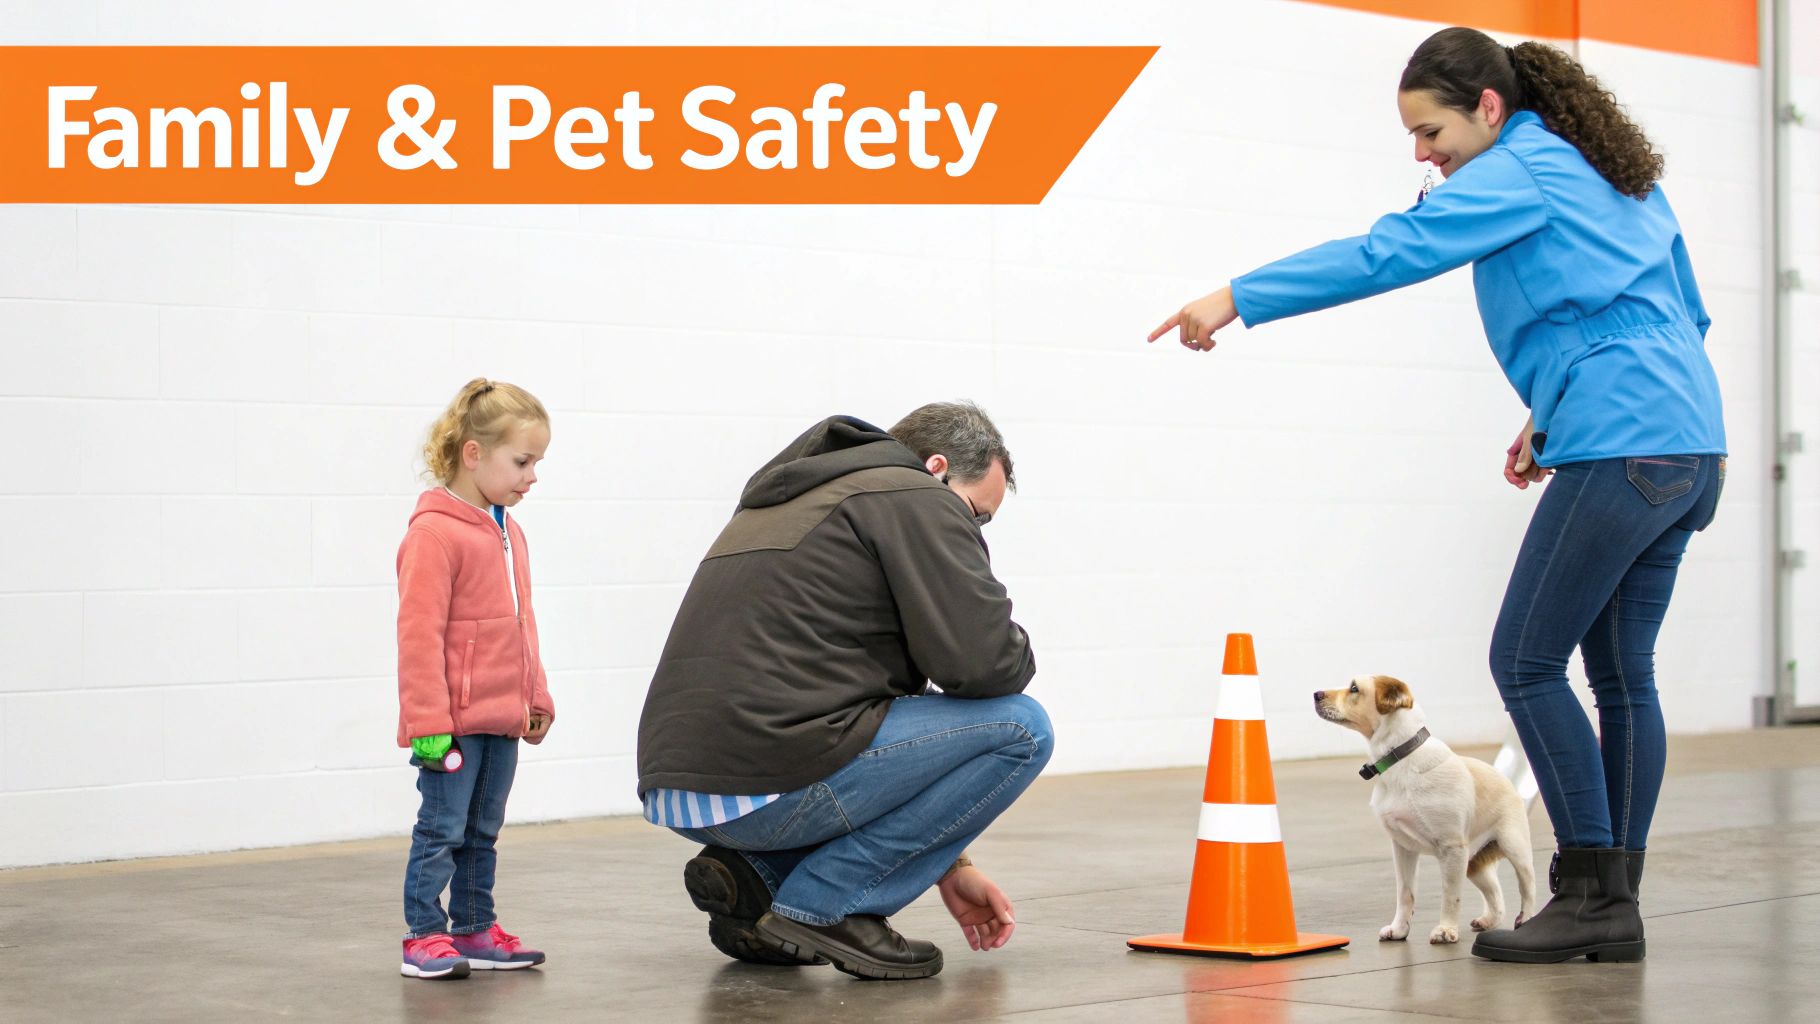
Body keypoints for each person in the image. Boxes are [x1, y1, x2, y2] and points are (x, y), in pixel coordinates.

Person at [1148, 27, 1725, 964]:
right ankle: (1614, 903)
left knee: (1527, 660)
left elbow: (1391, 251)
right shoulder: (1612, 171)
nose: (1422, 155)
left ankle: (1586, 890)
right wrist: (1552, 416)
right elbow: (1677, 313)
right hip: (1688, 444)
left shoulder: (1522, 169)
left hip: (1625, 439)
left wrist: (1239, 295)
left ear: (1488, 108)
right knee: (1624, 677)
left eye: (1430, 132)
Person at [636, 403, 1051, 981]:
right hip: (768, 780)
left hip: (682, 787)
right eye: (978, 515)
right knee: (1021, 727)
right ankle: (829, 903)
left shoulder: (797, 498)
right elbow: (983, 664)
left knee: (888, 718)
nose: (975, 530)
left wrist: (951, 863)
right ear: (935, 468)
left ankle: (760, 880)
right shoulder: (914, 497)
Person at [395, 378, 556, 979]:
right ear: (472, 453)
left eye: (536, 462)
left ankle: (473, 928)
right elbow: (418, 640)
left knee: (482, 833)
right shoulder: (434, 534)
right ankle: (423, 936)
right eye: (522, 461)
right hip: (452, 726)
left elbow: (522, 625)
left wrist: (535, 697)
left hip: (501, 719)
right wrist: (427, 724)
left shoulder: (509, 531)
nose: (532, 475)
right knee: (441, 830)